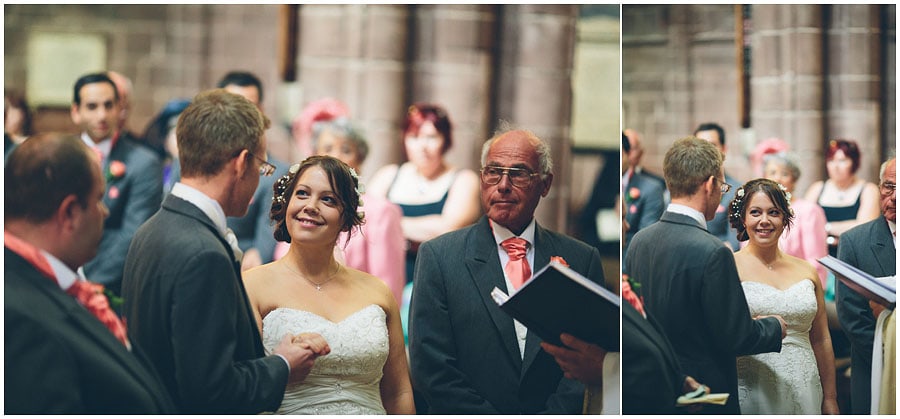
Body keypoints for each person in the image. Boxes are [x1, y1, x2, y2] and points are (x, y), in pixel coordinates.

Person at [121, 89, 329, 414]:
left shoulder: (152, 229)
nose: (261, 176)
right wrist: (282, 366)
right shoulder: (203, 254)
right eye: (262, 166)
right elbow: (212, 391)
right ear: (242, 163)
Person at [408, 128, 604, 414]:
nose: (503, 184)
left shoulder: (581, 259)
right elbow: (432, 367)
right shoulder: (439, 257)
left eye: (519, 173)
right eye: (493, 172)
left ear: (545, 185)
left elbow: (587, 359)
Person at [5, 133, 175, 414]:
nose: (104, 213)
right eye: (98, 199)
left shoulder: (48, 282)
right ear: (70, 213)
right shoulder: (19, 320)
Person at [625, 136, 786, 414]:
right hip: (704, 394)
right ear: (710, 184)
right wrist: (774, 327)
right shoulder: (713, 251)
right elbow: (736, 336)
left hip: (652, 390)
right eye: (722, 186)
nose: (721, 193)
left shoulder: (639, 241)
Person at [245, 156, 415, 414]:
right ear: (286, 202)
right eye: (302, 194)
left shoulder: (377, 292)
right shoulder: (252, 285)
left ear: (346, 217)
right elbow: (242, 384)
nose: (311, 206)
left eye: (328, 199)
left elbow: (397, 392)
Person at [367, 103, 480, 336]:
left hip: (437, 279)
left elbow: (448, 228)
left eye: (431, 137)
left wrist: (390, 225)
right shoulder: (389, 175)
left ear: (446, 140)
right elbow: (365, 220)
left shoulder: (463, 179)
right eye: (414, 136)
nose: (423, 146)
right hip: (385, 273)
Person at [729, 178, 839, 414]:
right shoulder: (729, 267)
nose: (764, 221)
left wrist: (830, 397)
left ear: (785, 218)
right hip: (751, 385)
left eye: (773, 212)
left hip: (805, 383)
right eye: (755, 212)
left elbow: (821, 339)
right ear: (743, 218)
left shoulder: (807, 270)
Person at [71, 72, 163, 294]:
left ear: (119, 109)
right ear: (76, 112)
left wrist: (87, 282)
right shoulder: (58, 156)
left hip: (111, 286)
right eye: (92, 106)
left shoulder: (143, 163)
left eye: (108, 105)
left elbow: (133, 234)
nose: (101, 115)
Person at [311, 118, 406, 302]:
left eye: (346, 150)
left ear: (360, 160)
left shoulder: (381, 213)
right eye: (328, 149)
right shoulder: (304, 207)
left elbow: (387, 288)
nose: (336, 156)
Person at [836, 157, 896, 414]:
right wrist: (892, 356)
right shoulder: (855, 242)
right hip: (875, 365)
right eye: (889, 187)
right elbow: (852, 316)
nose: (893, 197)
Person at [218, 71, 288, 270]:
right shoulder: (192, 159)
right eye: (233, 105)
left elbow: (261, 251)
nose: (241, 115)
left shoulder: (276, 173)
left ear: (261, 111)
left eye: (249, 106)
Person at [804, 139, 880, 257]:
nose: (836, 166)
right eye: (831, 160)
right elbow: (803, 224)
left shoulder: (868, 190)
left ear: (854, 163)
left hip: (855, 256)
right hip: (819, 256)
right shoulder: (817, 188)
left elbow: (864, 228)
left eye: (842, 160)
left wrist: (825, 227)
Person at [763, 152, 829, 285]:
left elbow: (816, 261)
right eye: (772, 173)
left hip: (797, 285)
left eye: (784, 174)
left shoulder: (809, 211)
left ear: (794, 180)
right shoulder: (758, 212)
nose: (777, 179)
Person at [693, 122, 741, 251]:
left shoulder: (736, 191)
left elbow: (735, 241)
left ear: (724, 149)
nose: (706, 152)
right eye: (700, 146)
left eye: (712, 145)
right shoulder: (682, 187)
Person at [622, 131, 665, 264]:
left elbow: (645, 240)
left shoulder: (651, 188)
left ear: (627, 154)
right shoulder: (607, 183)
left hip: (631, 263)